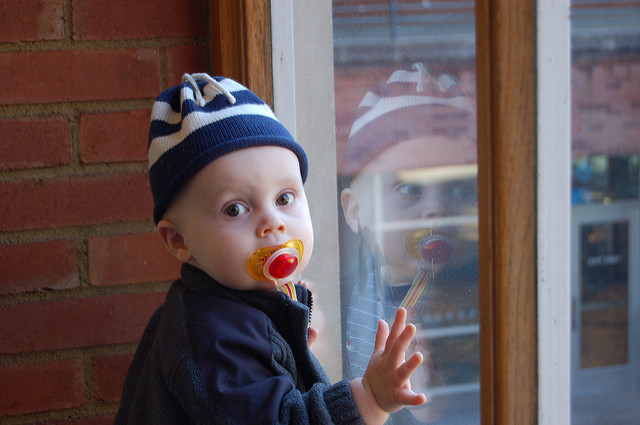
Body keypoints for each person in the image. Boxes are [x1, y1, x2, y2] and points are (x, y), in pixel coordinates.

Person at [114, 73, 426, 425]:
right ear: (179, 241)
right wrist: (368, 397)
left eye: (284, 198)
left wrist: (289, 329)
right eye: (235, 209)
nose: (272, 223)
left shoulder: (236, 300)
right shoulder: (213, 336)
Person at [338, 64, 479, 424]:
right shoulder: (343, 300)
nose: (437, 209)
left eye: (458, 189)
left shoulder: (479, 294)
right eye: (410, 189)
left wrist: (436, 401)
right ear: (357, 211)